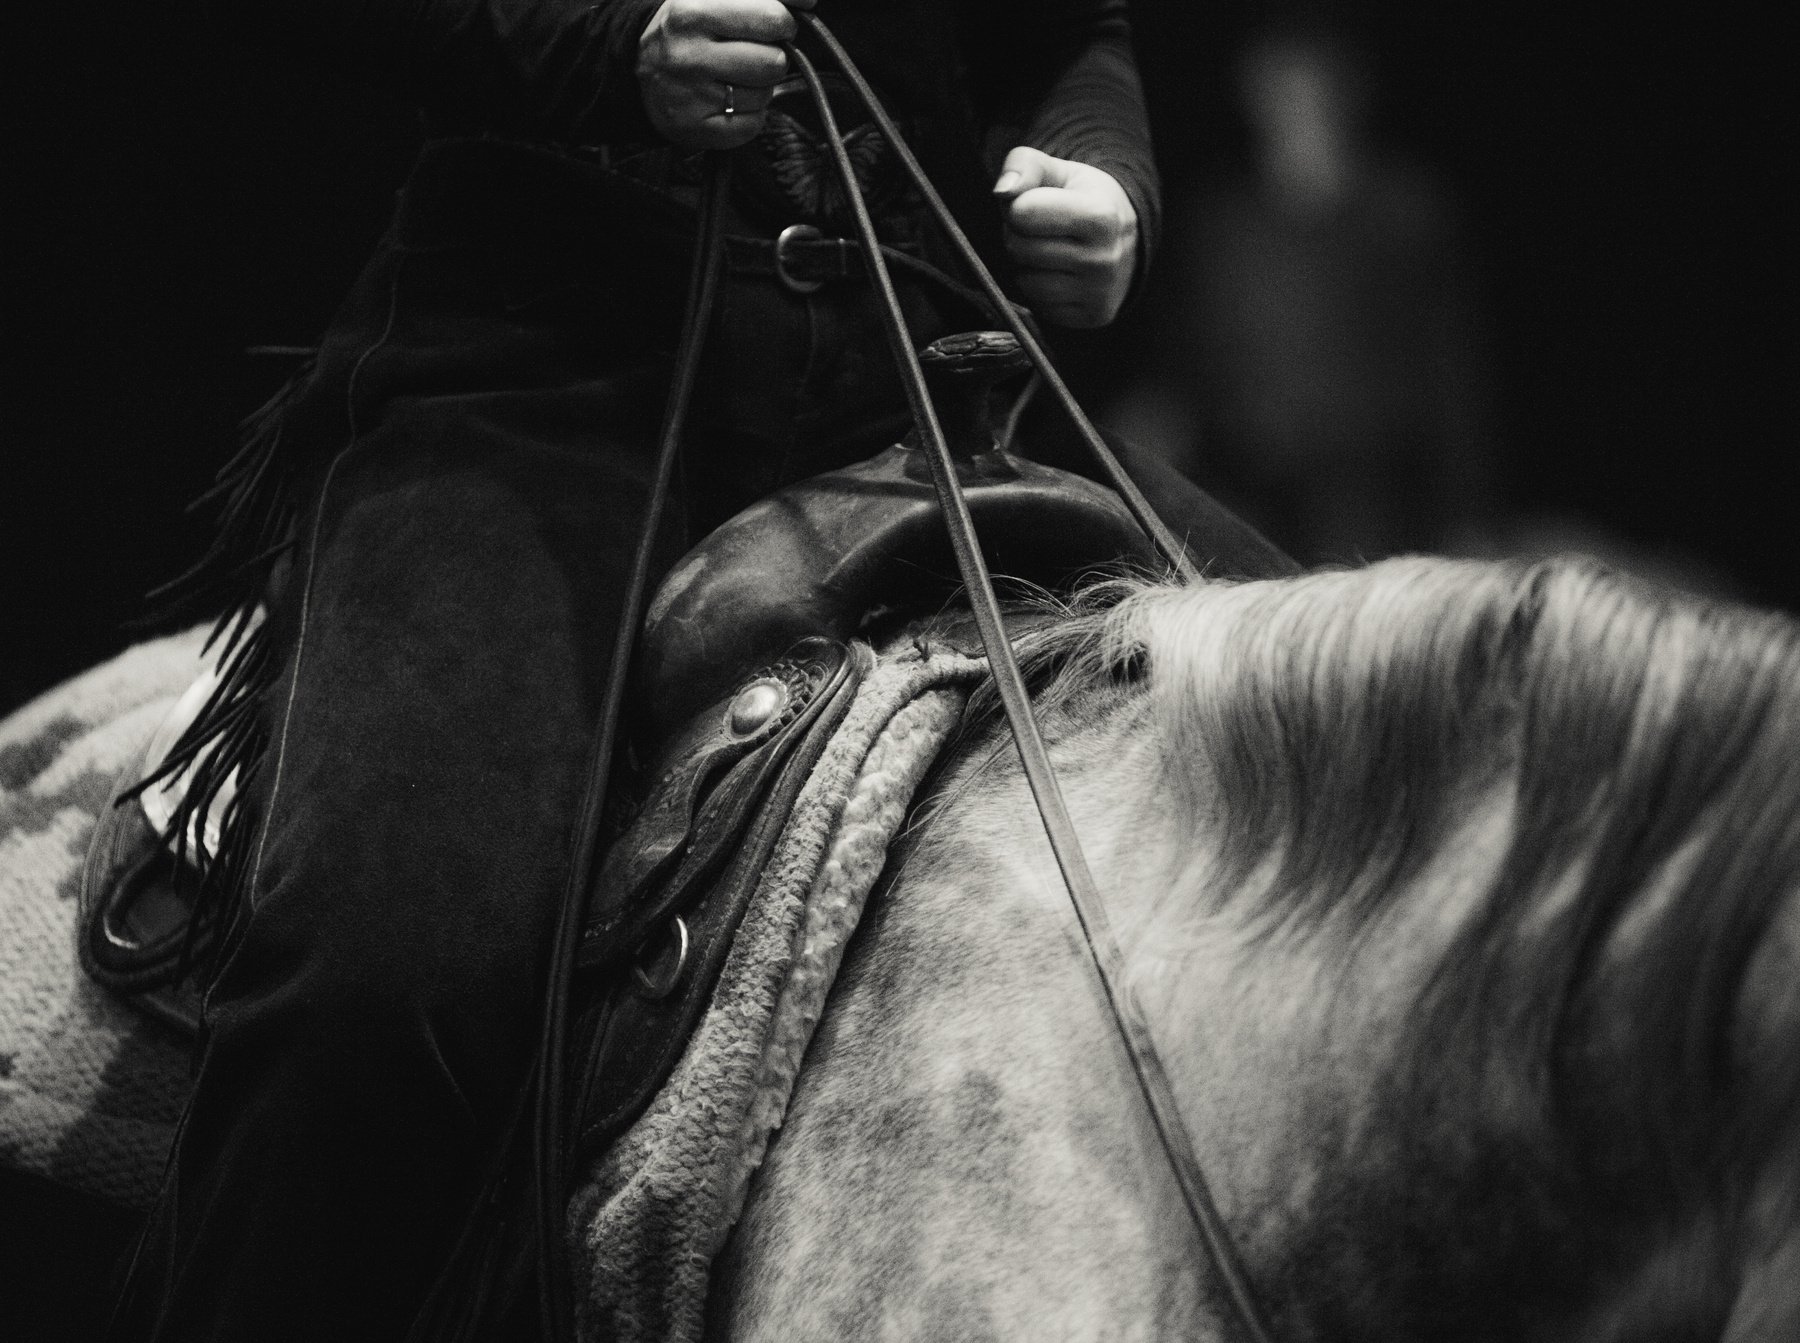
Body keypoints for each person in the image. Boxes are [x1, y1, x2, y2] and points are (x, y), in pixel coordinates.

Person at [105, 1, 1200, 1338]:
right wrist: (609, 47)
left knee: (1358, 792)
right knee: (387, 979)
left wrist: (1104, 176)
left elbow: (1065, 31)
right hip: (537, 375)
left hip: (920, 384)